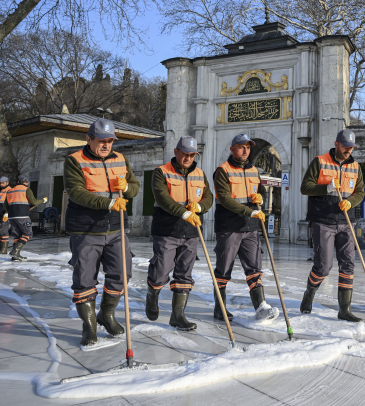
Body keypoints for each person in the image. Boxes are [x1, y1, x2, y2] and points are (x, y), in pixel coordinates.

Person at [64, 118, 140, 347]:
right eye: (101, 141)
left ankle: (106, 315)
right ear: (89, 139)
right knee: (85, 278)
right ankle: (89, 327)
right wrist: (108, 203)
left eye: (110, 141)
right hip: (86, 229)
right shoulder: (74, 160)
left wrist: (125, 188)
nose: (107, 145)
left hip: (116, 228)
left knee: (122, 273)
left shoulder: (121, 159)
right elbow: (76, 192)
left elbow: (134, 187)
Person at [146, 136, 213, 331]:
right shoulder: (161, 172)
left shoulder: (200, 174)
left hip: (191, 232)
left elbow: (209, 197)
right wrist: (184, 212)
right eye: (185, 154)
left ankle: (177, 316)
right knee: (161, 270)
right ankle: (153, 294)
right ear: (176, 152)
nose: (188, 158)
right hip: (166, 230)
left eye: (192, 155)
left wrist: (199, 207)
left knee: (184, 274)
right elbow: (163, 198)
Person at [300, 129, 365, 322]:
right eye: (345, 147)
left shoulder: (355, 166)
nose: (348, 151)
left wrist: (351, 202)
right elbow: (305, 187)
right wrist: (326, 187)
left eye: (351, 148)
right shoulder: (319, 162)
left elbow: (360, 191)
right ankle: (309, 293)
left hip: (346, 220)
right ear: (336, 144)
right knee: (323, 267)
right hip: (323, 220)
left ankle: (344, 309)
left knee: (348, 265)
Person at [212, 133, 278, 322]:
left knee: (255, 269)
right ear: (233, 149)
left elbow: (261, 190)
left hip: (250, 228)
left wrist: (261, 198)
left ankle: (261, 307)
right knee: (223, 270)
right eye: (241, 147)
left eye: (248, 147)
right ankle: (220, 307)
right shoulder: (222, 171)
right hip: (229, 227)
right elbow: (225, 199)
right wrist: (250, 212)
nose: (245, 151)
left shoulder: (253, 170)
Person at [5, 176, 47, 261]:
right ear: (27, 183)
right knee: (28, 233)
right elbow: (33, 201)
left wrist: (10, 212)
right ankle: (15, 252)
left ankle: (15, 256)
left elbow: (5, 205)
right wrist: (43, 200)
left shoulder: (10, 191)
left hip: (12, 216)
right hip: (23, 216)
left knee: (17, 235)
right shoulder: (26, 189)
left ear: (18, 182)